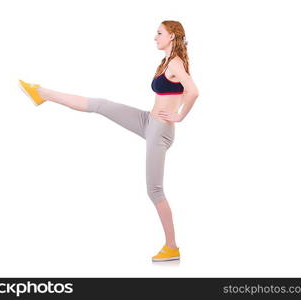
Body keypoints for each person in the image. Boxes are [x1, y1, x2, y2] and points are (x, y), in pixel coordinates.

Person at [18, 20, 199, 262]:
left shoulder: (175, 62)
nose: (155, 37)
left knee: (154, 190)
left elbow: (193, 91)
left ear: (172, 36)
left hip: (159, 130)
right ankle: (41, 93)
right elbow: (183, 92)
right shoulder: (167, 62)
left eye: (159, 33)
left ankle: (172, 247)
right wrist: (174, 109)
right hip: (148, 121)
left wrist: (179, 116)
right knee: (102, 105)